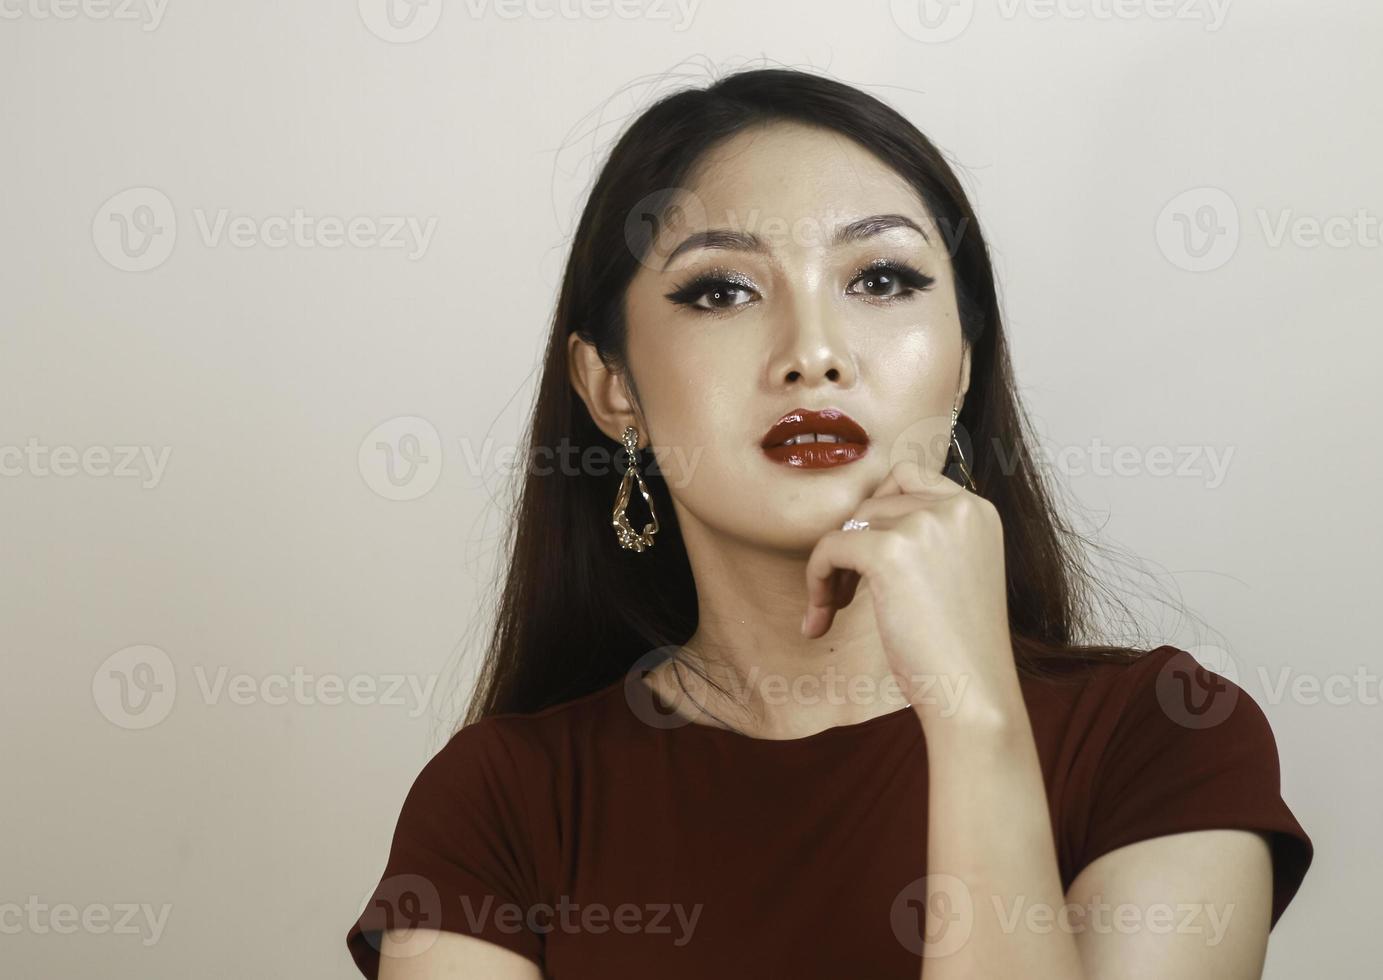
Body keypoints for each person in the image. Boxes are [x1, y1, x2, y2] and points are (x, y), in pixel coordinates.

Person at [346, 67, 1312, 979]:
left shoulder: (1165, 740)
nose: (813, 353)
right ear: (611, 387)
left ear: (966, 363)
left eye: (882, 280)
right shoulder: (502, 803)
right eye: (721, 290)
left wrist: (974, 719)